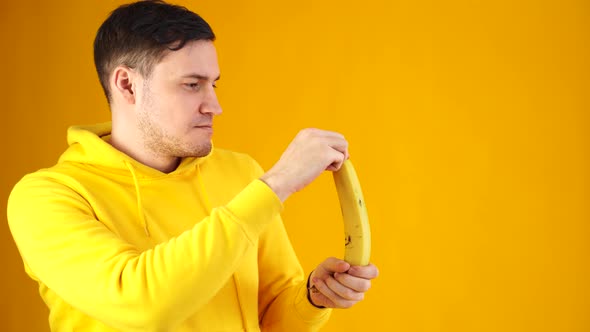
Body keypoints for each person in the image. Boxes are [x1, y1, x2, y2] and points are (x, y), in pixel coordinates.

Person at [7, 1, 379, 331]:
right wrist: (277, 185)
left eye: (214, 84)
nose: (214, 106)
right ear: (127, 86)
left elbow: (272, 315)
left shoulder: (240, 173)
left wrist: (312, 299)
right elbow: (143, 306)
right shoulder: (46, 198)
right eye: (191, 85)